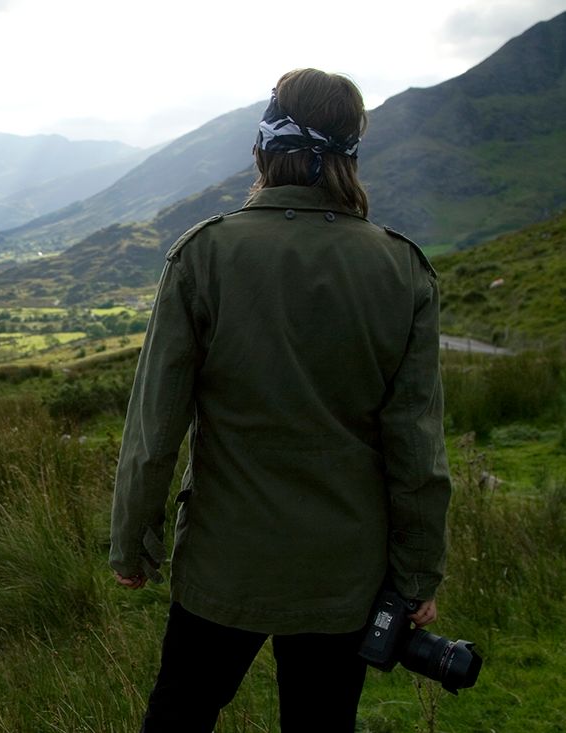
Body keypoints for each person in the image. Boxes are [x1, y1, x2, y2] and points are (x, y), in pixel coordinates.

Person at [109, 68, 452, 732]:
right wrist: (417, 573)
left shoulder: (204, 256)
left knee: (179, 713)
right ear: (350, 154)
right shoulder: (403, 270)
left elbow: (155, 431)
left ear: (265, 146)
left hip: (223, 562)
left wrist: (133, 543)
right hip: (344, 575)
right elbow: (416, 447)